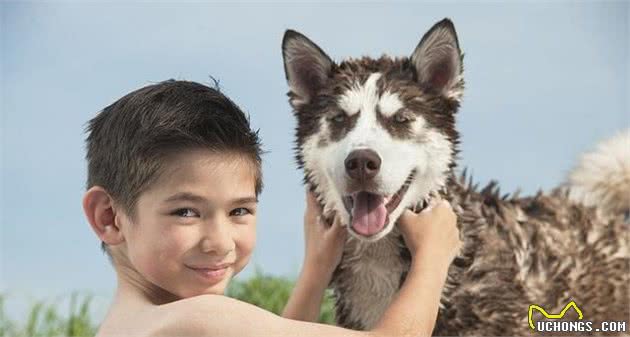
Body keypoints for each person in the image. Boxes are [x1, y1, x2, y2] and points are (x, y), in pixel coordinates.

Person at [82, 79, 461, 337]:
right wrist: (434, 254)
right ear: (109, 217)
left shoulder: (128, 325)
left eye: (239, 212)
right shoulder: (192, 320)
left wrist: (316, 268)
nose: (220, 242)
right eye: (186, 212)